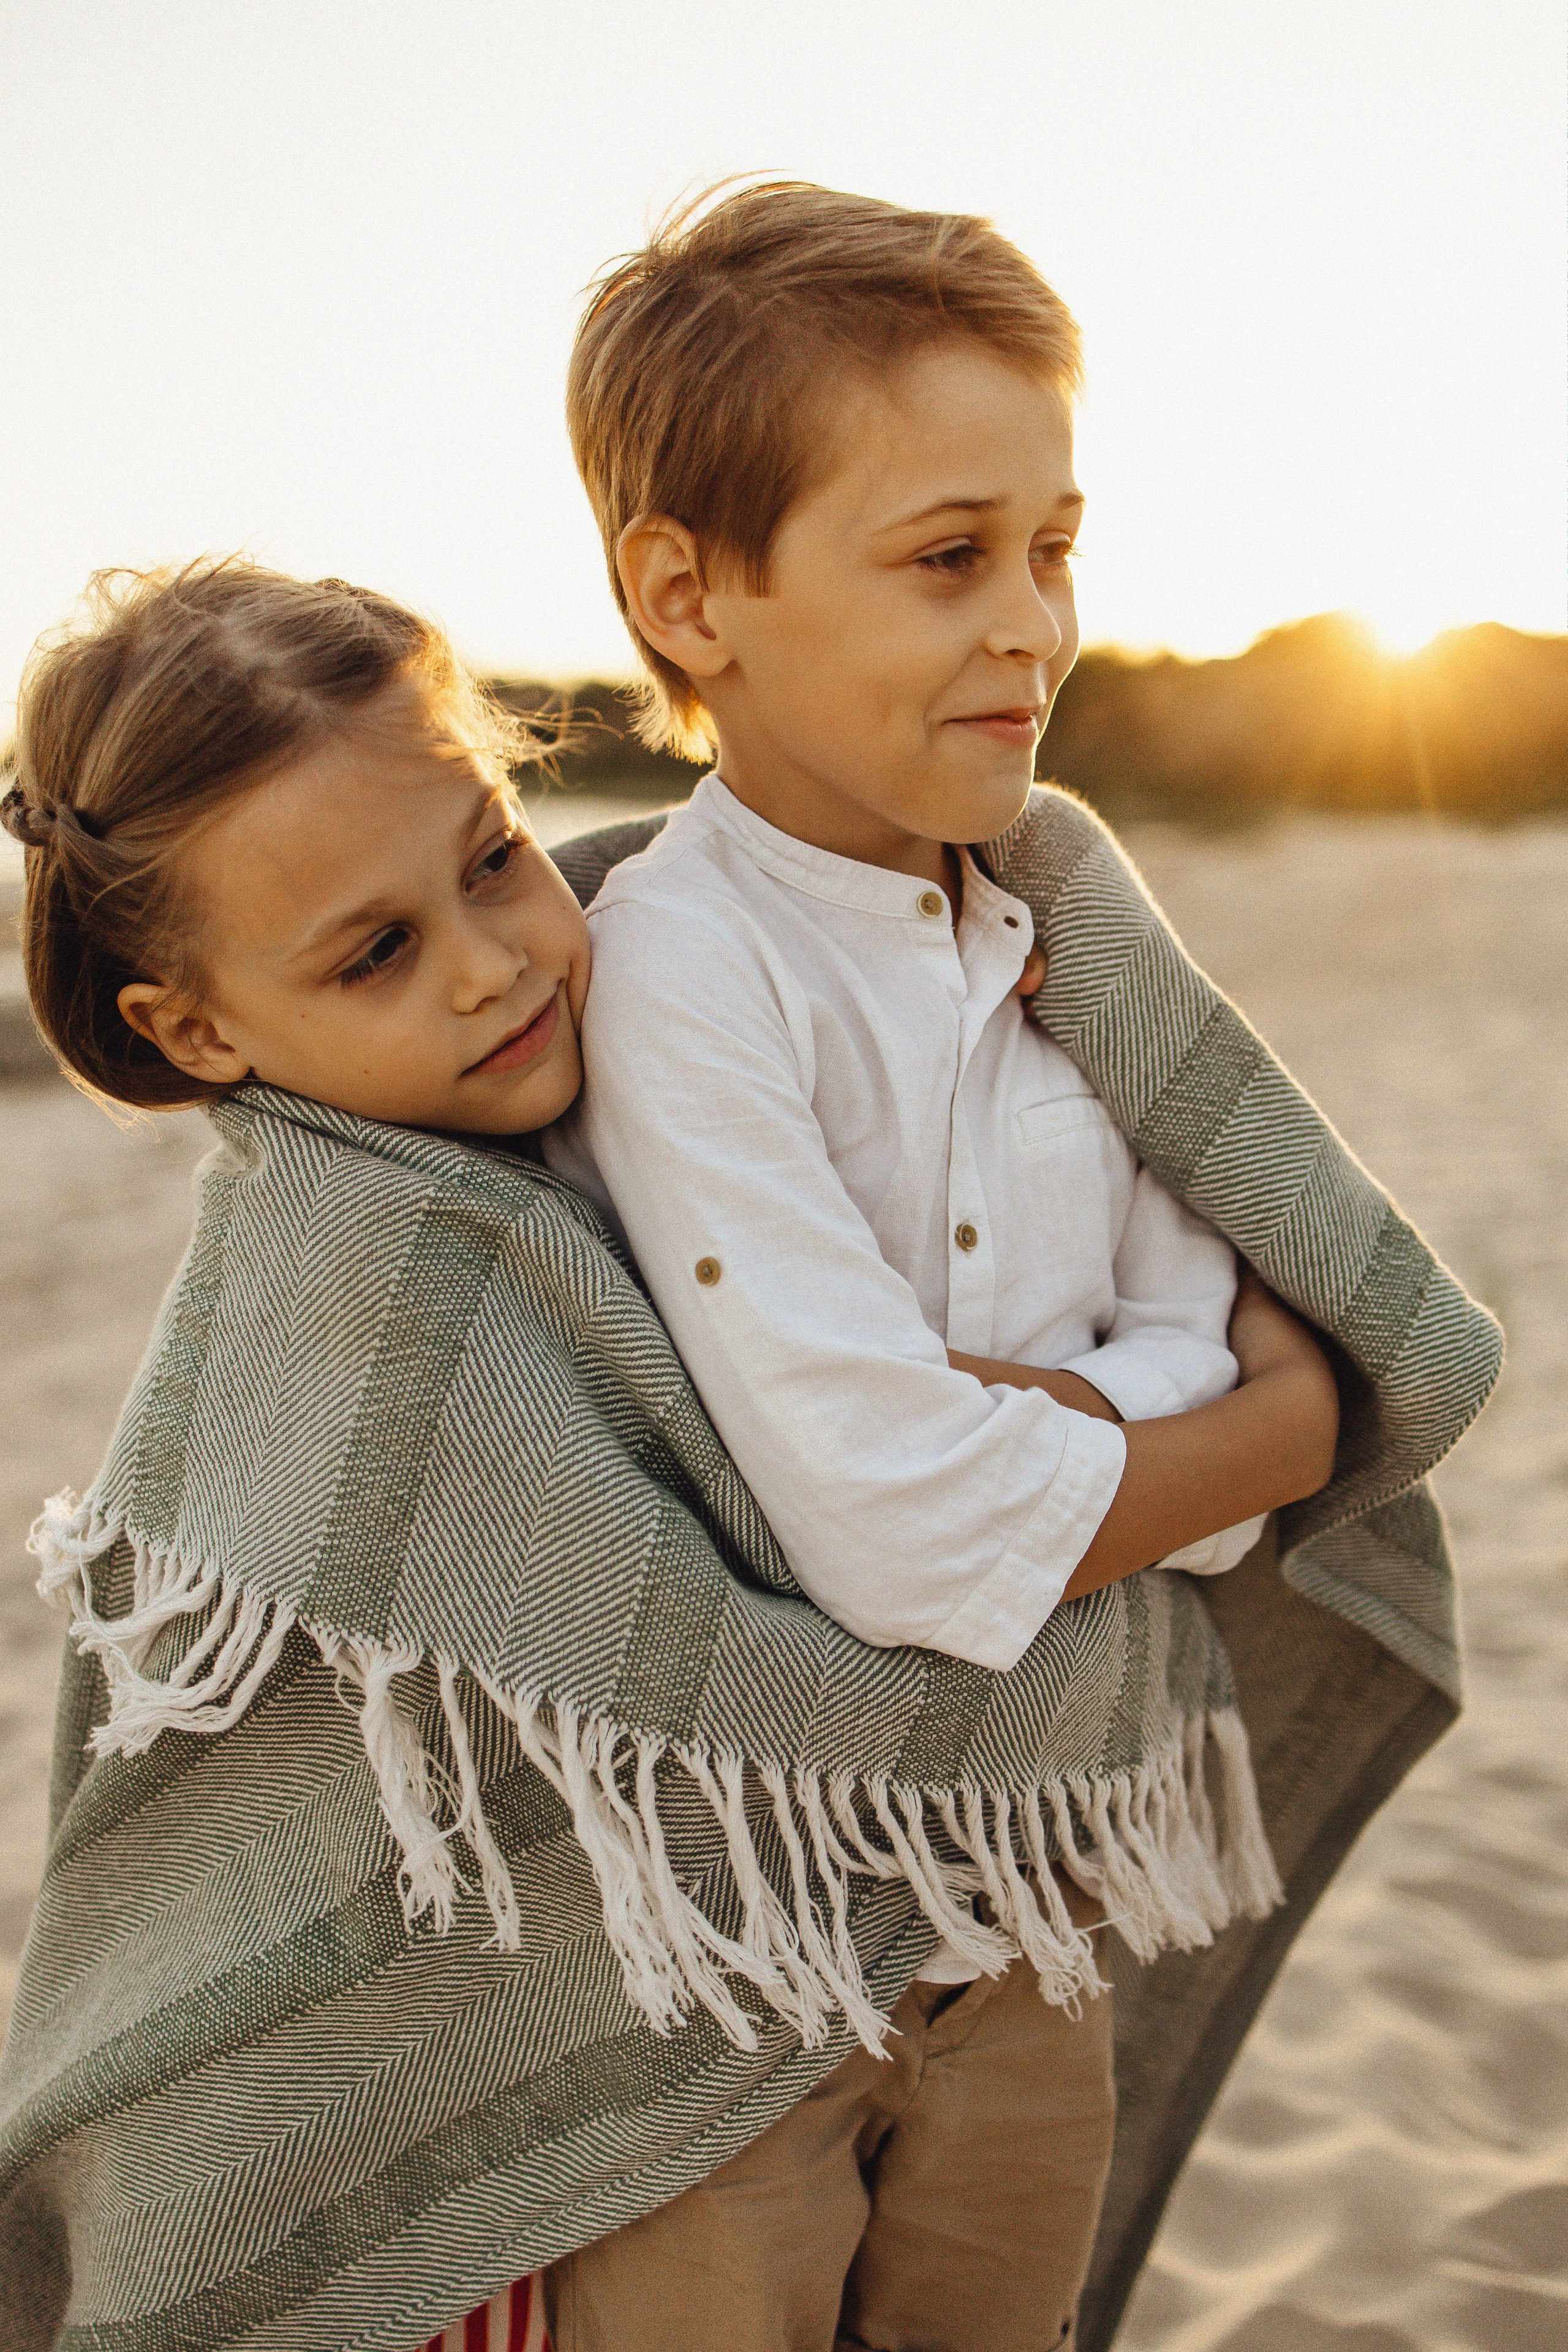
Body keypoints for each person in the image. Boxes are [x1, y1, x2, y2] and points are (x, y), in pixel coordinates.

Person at [539, 182, 1341, 2348]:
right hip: (735, 1972)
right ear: (688, 597)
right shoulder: (682, 971)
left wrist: (1121, 1438)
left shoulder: (1067, 928)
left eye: (1058, 545)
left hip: (1035, 1912)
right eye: (947, 557)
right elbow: (908, 1528)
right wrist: (1246, 1413)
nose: (1036, 626)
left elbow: (1231, 1448)